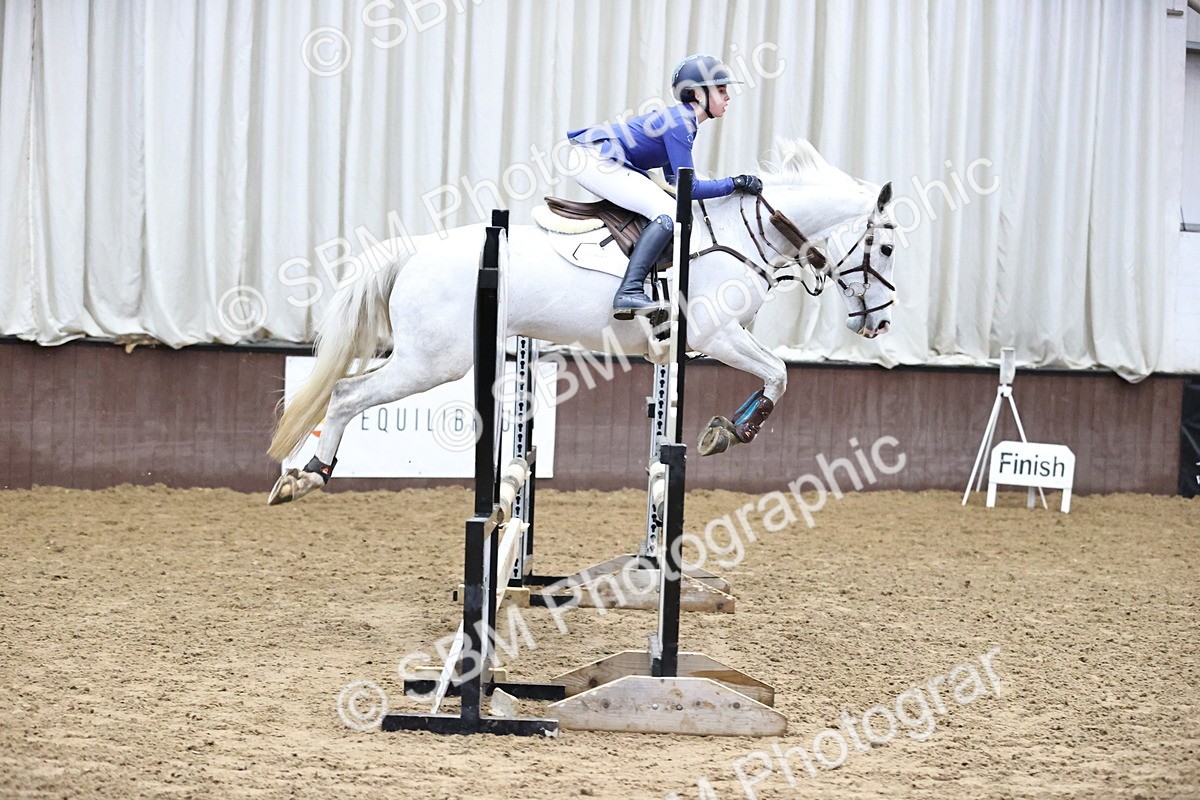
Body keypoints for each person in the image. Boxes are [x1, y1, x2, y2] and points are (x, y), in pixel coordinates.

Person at [566, 54, 764, 320]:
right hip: (596, 159)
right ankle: (629, 290)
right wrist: (734, 183)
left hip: (597, 158)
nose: (728, 96)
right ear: (697, 93)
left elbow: (675, 182)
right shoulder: (681, 123)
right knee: (669, 214)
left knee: (667, 207)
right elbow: (688, 188)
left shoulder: (683, 121)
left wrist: (728, 187)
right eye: (721, 89)